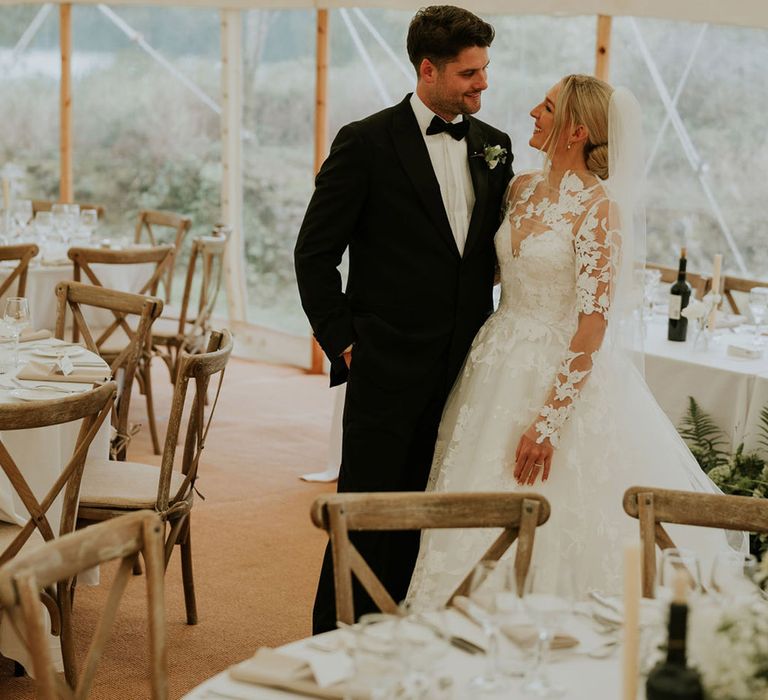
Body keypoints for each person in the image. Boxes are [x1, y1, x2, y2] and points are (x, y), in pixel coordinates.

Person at [407, 74, 736, 606]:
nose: (534, 111)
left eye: (547, 105)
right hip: (494, 360)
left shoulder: (598, 209)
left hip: (556, 372)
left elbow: (593, 322)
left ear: (576, 129)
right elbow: (491, 270)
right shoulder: (518, 189)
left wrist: (549, 421)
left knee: (548, 507)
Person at [294, 5, 513, 633]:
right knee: (365, 519)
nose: (483, 84)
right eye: (470, 73)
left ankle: (412, 647)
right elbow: (314, 255)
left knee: (438, 518)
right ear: (428, 69)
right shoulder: (364, 142)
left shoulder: (494, 146)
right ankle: (334, 653)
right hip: (385, 367)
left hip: (470, 372)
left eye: (484, 70)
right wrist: (346, 344)